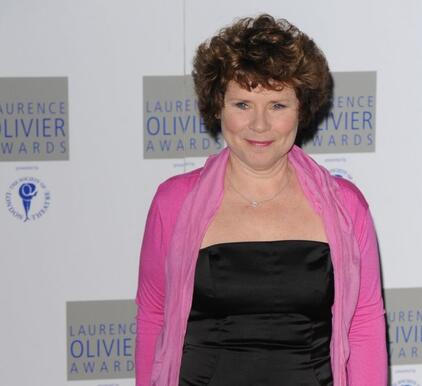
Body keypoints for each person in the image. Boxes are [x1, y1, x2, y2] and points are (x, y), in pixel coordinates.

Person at [135, 14, 387, 386]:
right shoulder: (173, 202)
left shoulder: (346, 207)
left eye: (277, 105)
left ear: (302, 109)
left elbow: (363, 323)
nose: (259, 125)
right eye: (242, 104)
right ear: (217, 106)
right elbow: (153, 315)